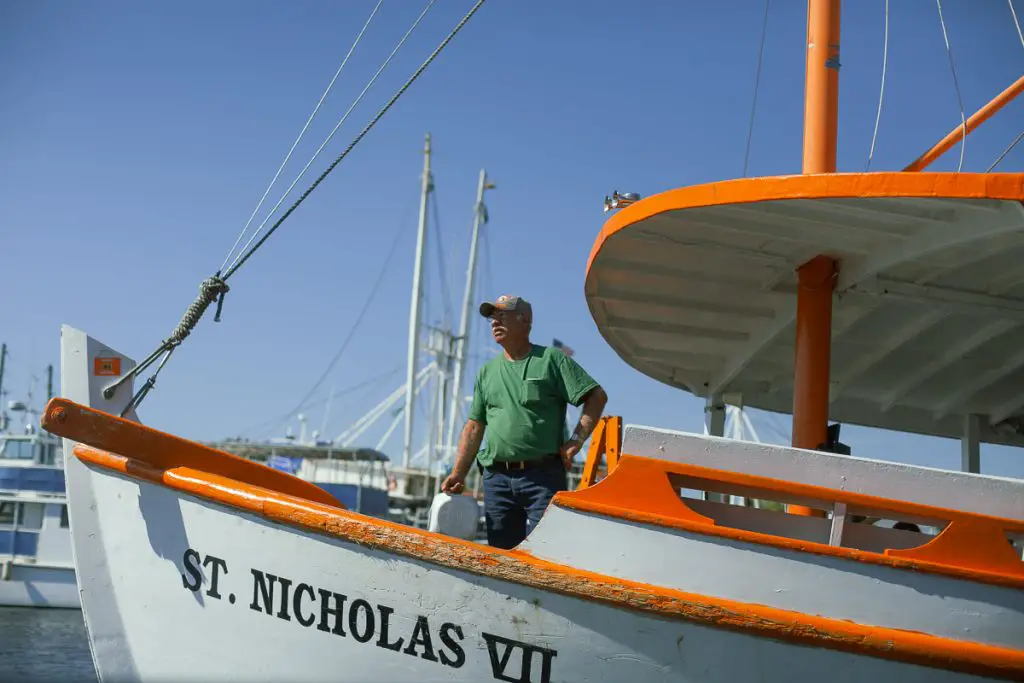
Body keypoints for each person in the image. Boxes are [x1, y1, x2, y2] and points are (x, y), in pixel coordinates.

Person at [440, 294, 608, 549]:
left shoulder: (551, 360)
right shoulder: (487, 372)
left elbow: (596, 397)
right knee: (502, 558)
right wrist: (458, 472)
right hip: (496, 479)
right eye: (492, 318)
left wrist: (576, 440)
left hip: (542, 478)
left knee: (546, 554)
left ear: (525, 321)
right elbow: (474, 426)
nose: (495, 322)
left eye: (502, 316)